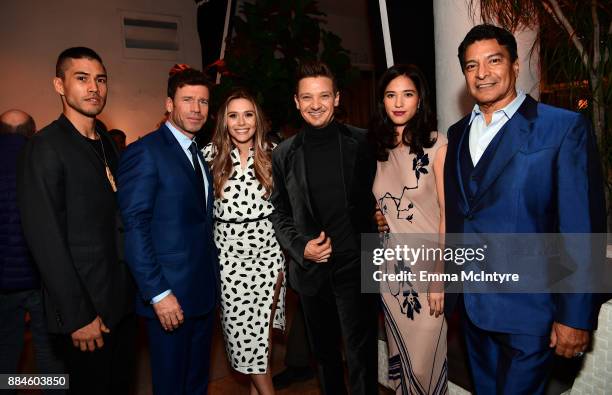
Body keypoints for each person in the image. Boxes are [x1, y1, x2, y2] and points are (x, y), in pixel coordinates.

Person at [444, 24, 605, 394]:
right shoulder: (456, 134)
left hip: (531, 312)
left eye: (493, 61)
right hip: (471, 310)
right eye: (471, 66)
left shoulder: (562, 128)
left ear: (515, 65)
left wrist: (576, 316)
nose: (482, 73)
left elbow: (581, 227)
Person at [17, 47, 136, 395]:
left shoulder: (108, 144)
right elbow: (45, 240)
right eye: (81, 79)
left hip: (121, 304)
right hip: (85, 313)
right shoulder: (45, 147)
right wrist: (77, 316)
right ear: (59, 85)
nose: (94, 88)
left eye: (100, 79)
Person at [270, 60, 378, 395]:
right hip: (312, 271)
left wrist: (383, 214)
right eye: (307, 97)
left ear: (337, 98)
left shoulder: (363, 143)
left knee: (362, 357)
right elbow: (279, 212)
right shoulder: (284, 154)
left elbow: (382, 191)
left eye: (323, 96)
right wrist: (301, 247)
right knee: (326, 358)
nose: (315, 104)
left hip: (357, 264)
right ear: (296, 101)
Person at [117, 67, 219, 395]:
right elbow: (134, 228)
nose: (196, 108)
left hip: (202, 296)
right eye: (187, 100)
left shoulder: (197, 154)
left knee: (196, 383)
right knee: (171, 385)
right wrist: (158, 294)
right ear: (169, 104)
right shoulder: (145, 151)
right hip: (169, 298)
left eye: (202, 102)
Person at [370, 64, 448, 394]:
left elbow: (448, 215)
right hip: (392, 273)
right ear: (382, 102)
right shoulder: (377, 149)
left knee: (423, 363)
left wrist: (439, 276)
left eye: (407, 94)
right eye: (391, 95)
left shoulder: (437, 145)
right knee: (402, 362)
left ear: (420, 100)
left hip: (429, 268)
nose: (399, 102)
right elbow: (375, 199)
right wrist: (376, 212)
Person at [202, 88, 285, 394]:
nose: (241, 122)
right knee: (243, 340)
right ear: (224, 121)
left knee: (261, 343)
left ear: (257, 119)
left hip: (269, 257)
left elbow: (292, 207)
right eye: (233, 116)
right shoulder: (208, 156)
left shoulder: (276, 152)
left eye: (248, 114)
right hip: (228, 261)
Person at [1, 111, 65, 395]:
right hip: (41, 276)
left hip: (2, 283)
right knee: (48, 349)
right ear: (32, 130)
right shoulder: (42, 157)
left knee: (5, 349)